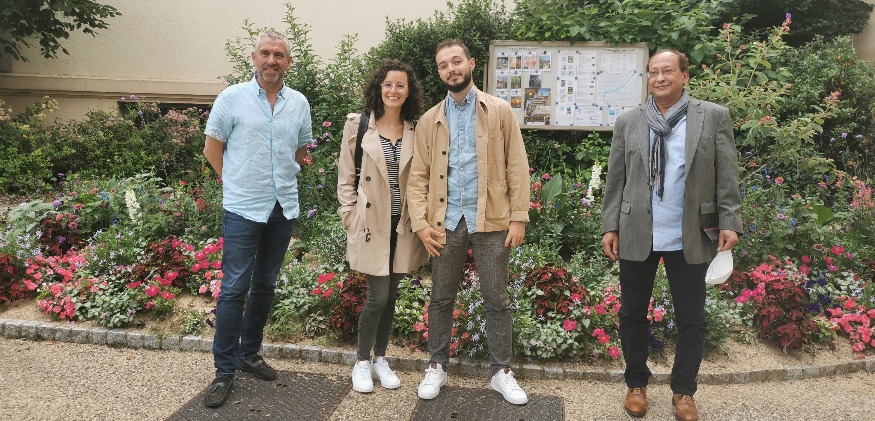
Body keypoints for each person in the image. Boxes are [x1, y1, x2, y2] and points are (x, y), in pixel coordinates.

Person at [600, 49, 742, 421]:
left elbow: (727, 174)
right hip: (637, 231)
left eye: (668, 71)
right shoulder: (629, 120)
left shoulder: (712, 116)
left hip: (690, 233)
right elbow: (616, 179)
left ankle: (684, 392)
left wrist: (729, 220)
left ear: (684, 76)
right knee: (632, 313)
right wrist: (610, 225)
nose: (660, 78)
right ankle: (636, 384)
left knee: (692, 318)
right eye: (653, 72)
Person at [407, 39, 531, 405]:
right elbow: (418, 176)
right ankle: (437, 365)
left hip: (491, 218)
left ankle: (501, 371)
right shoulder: (430, 120)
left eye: (456, 61)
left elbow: (517, 166)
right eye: (443, 65)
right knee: (441, 297)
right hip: (444, 221)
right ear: (439, 71)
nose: (451, 69)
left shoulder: (500, 111)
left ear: (472, 63)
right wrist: (420, 223)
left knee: (497, 299)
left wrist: (518, 217)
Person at [200, 30, 312, 408]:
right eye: (265, 53)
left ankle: (249, 353)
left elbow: (300, 149)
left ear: (288, 62)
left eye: (279, 54)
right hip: (242, 208)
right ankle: (224, 370)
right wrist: (233, 181)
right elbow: (212, 148)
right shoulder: (231, 98)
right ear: (254, 58)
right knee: (234, 288)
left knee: (265, 284)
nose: (271, 60)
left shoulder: (299, 103)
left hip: (283, 207)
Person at [337, 59, 429, 393]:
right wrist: (350, 215)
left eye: (400, 85)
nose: (393, 90)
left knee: (390, 296)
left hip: (402, 225)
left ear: (408, 91)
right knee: (377, 296)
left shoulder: (416, 130)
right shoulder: (358, 125)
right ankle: (361, 361)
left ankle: (380, 358)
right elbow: (346, 177)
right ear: (379, 87)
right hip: (370, 223)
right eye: (388, 84)